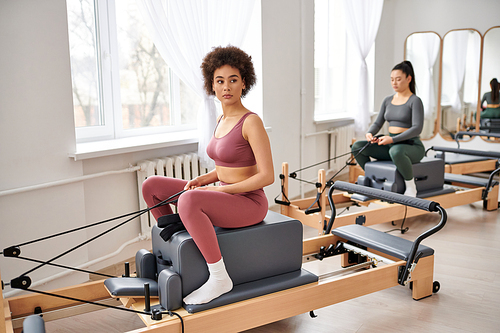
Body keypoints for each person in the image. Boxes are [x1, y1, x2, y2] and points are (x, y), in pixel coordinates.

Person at [142, 46, 274, 305]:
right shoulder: (221, 119)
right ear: (212, 86)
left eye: (233, 80)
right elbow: (229, 166)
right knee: (152, 186)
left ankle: (219, 277)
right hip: (225, 195)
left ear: (244, 82)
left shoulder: (251, 122)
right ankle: (181, 241)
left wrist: (219, 190)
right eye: (220, 81)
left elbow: (266, 176)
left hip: (249, 203)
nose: (227, 87)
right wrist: (204, 180)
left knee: (189, 200)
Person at [351, 61, 424, 197]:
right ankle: (372, 179)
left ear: (409, 79)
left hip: (412, 147)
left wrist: (392, 139)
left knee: (396, 151)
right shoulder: (387, 100)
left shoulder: (415, 101)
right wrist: (369, 133)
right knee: (357, 147)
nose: (394, 83)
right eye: (392, 80)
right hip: (391, 146)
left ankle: (411, 187)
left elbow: (417, 128)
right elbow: (378, 122)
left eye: (398, 79)